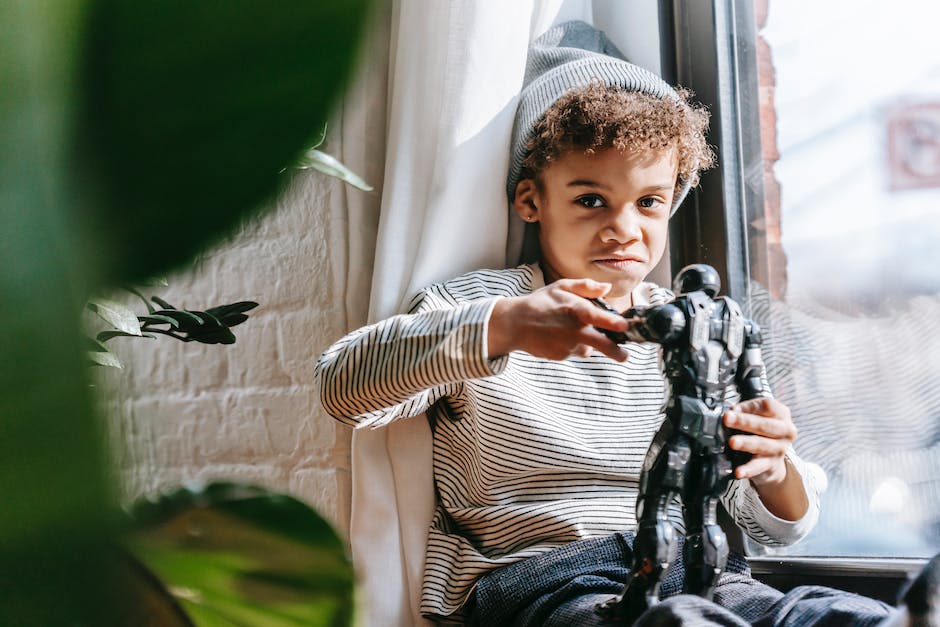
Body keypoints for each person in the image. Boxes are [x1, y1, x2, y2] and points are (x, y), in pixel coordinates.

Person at [316, 20, 936, 626]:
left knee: (815, 613)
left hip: (700, 568)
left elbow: (780, 526)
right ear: (531, 200)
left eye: (649, 203)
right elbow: (343, 388)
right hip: (546, 578)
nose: (624, 228)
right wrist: (503, 327)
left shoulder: (696, 331)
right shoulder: (481, 304)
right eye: (590, 200)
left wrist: (773, 468)